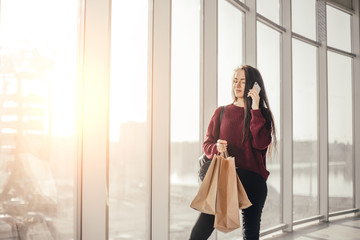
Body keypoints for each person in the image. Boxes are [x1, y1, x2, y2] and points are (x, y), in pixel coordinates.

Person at [189, 65, 277, 240]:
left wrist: (256, 109)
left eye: (243, 81)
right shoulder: (221, 112)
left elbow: (261, 143)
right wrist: (217, 148)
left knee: (250, 235)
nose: (237, 85)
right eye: (235, 80)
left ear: (253, 85)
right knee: (201, 230)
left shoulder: (262, 114)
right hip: (225, 178)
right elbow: (207, 144)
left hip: (252, 181)